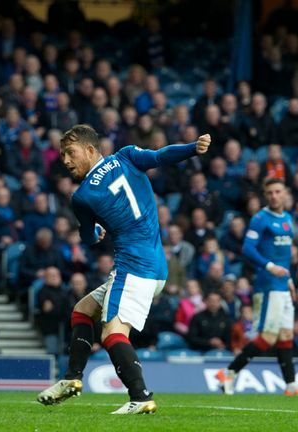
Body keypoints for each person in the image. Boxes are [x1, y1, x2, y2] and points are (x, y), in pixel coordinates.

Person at [37, 124, 210, 414]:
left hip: (133, 266)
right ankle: (72, 378)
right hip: (157, 266)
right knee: (82, 310)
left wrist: (95, 231)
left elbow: (89, 237)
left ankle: (140, 397)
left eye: (70, 153)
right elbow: (161, 156)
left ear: (91, 150)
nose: (65, 161)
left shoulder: (81, 197)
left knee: (112, 333)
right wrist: (193, 147)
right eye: (62, 155)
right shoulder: (128, 155)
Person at [218, 178, 296, 395]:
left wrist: (289, 280)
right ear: (265, 195)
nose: (274, 196)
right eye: (269, 192)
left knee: (286, 335)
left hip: (282, 284)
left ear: (285, 193)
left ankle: (290, 385)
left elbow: (285, 256)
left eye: (278, 191)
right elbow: (248, 249)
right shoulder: (260, 219)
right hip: (268, 284)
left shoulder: (288, 219)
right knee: (268, 337)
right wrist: (270, 267)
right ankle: (229, 373)